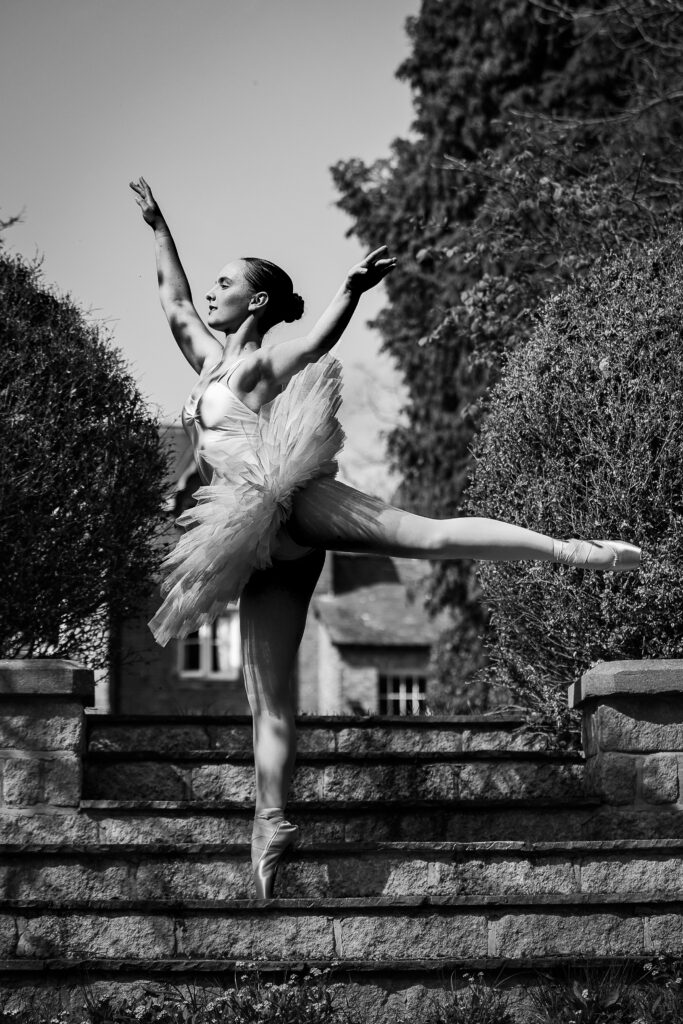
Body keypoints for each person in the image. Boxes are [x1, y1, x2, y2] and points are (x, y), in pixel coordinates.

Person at [129, 177, 641, 899]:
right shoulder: (205, 360)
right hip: (251, 545)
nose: (210, 294)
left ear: (257, 303)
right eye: (213, 283)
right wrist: (158, 227)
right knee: (268, 698)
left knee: (426, 538)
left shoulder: (251, 365)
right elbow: (172, 299)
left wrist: (351, 292)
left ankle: (571, 550)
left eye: (225, 285)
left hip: (291, 500)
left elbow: (314, 344)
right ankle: (271, 823)